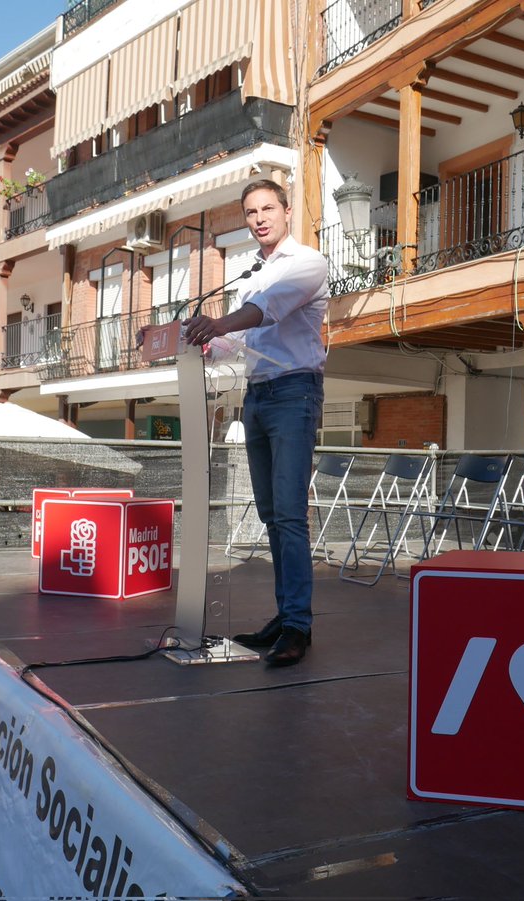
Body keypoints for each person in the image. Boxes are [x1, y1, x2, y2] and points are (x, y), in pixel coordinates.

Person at [184, 179, 329, 666]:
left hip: (294, 392)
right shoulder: (249, 275)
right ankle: (284, 615)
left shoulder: (307, 262)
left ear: (287, 211)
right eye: (251, 212)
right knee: (270, 514)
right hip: (258, 395)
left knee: (288, 514)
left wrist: (219, 323)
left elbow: (267, 311)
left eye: (268, 208)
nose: (260, 218)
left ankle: (297, 626)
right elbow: (232, 344)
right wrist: (187, 336)